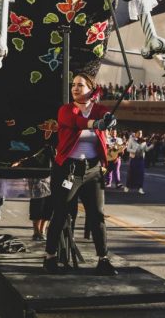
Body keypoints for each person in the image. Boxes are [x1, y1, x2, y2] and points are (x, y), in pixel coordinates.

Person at [43, 73, 118, 275]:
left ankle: (103, 259)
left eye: (81, 85)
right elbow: (75, 122)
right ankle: (50, 256)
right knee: (60, 213)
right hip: (68, 170)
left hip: (93, 171)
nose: (75, 88)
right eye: (73, 85)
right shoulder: (66, 110)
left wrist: (110, 121)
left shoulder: (99, 109)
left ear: (91, 89)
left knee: (97, 216)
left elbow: (106, 116)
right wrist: (96, 124)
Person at [124, 130, 152, 194]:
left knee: (141, 174)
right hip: (133, 158)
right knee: (131, 173)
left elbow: (146, 149)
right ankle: (127, 186)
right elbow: (128, 149)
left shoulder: (144, 141)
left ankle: (140, 188)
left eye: (141, 133)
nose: (140, 134)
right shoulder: (131, 139)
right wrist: (135, 151)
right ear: (136, 133)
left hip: (141, 159)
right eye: (138, 133)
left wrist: (151, 146)